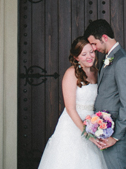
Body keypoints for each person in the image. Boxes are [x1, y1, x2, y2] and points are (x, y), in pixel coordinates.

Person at [37, 37, 108, 169]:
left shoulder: (97, 73)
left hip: (92, 123)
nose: (89, 57)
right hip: (73, 124)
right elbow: (70, 108)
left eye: (91, 52)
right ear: (76, 57)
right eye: (84, 54)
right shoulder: (71, 73)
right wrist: (86, 134)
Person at [84, 19, 126, 169]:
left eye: (94, 44)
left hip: (115, 133)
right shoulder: (110, 58)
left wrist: (115, 136)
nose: (93, 49)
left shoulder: (122, 62)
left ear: (105, 37)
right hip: (105, 132)